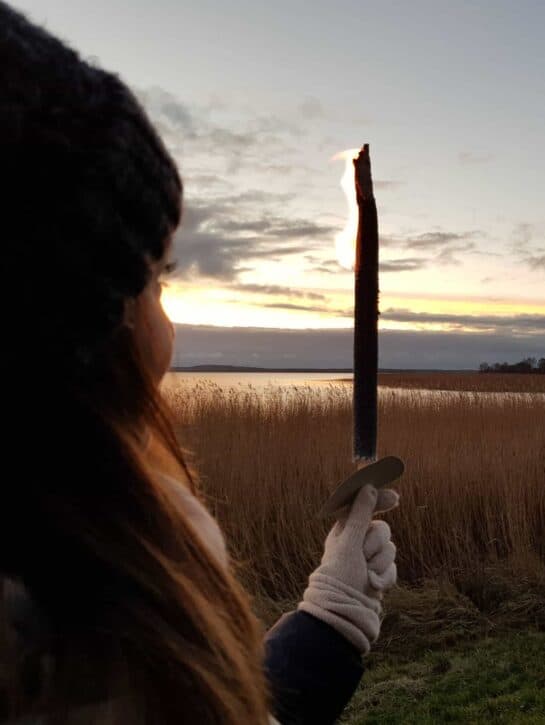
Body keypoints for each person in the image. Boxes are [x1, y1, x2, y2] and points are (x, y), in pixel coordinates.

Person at [0, 3, 399, 723]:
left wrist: (330, 620)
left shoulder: (65, 604)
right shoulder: (64, 626)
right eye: (157, 278)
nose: (166, 326)